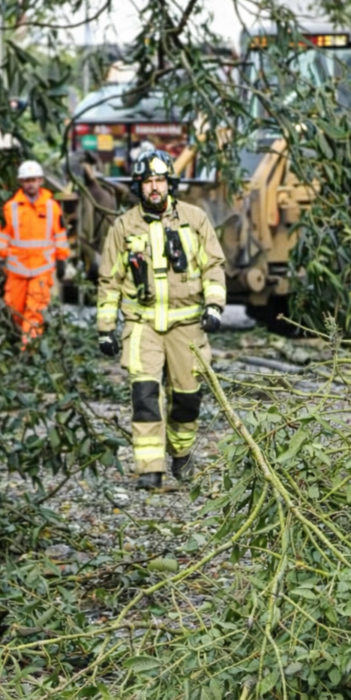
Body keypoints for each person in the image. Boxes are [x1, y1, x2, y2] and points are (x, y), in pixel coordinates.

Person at [96, 148, 226, 489]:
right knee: (145, 396)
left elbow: (213, 266)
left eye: (160, 180)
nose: (154, 187)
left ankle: (181, 455)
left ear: (171, 183)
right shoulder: (124, 227)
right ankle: (149, 469)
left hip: (187, 327)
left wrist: (214, 305)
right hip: (143, 326)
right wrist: (106, 328)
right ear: (139, 186)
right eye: (148, 181)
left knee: (187, 398)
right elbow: (109, 280)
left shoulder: (195, 220)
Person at [0, 159, 70, 348]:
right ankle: (22, 342)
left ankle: (30, 351)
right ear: (21, 182)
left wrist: (62, 259)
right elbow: (3, 234)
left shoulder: (52, 207)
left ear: (41, 181)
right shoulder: (10, 208)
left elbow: (59, 234)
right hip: (16, 270)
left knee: (34, 312)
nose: (31, 184)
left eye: (34, 179)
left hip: (41, 269)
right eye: (27, 180)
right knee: (16, 311)